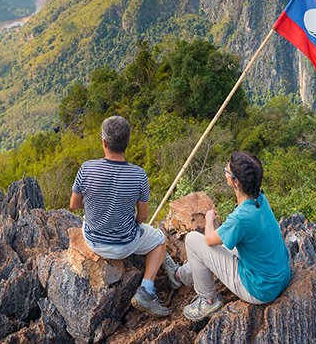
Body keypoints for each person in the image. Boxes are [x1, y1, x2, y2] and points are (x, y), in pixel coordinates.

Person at [164, 151, 291, 321]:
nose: (225, 171)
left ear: (236, 182)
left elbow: (209, 239)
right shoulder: (259, 199)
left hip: (260, 289)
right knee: (221, 244)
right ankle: (180, 275)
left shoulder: (241, 218)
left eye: (227, 171)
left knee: (194, 240)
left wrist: (209, 220)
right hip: (279, 276)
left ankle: (208, 301)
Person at [70, 115, 170, 317]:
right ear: (127, 143)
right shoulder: (139, 175)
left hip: (93, 241)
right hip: (125, 246)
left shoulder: (87, 168)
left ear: (104, 142)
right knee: (160, 240)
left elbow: (74, 205)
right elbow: (142, 217)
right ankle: (146, 290)